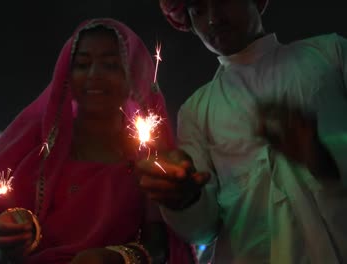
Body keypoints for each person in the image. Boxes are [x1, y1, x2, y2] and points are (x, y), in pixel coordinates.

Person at [136, 0, 347, 263]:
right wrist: (184, 200)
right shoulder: (196, 110)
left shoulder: (331, 55)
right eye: (199, 10)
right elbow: (203, 230)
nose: (213, 19)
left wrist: (326, 159)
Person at [0, 18, 193, 263]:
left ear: (133, 76)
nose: (94, 75)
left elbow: (160, 246)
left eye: (110, 65)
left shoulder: (148, 158)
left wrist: (119, 258)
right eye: (83, 65)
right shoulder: (37, 145)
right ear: (66, 75)